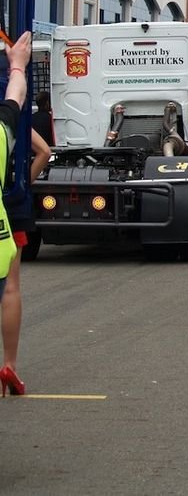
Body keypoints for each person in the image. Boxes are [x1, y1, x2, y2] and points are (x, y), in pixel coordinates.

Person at [2, 128, 50, 399]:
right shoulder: (14, 118)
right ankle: (9, 365)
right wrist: (23, 185)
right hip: (10, 211)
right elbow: (44, 151)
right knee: (11, 287)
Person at [0, 31, 34, 397]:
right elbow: (16, 96)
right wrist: (16, 65)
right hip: (4, 227)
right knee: (11, 288)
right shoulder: (0, 135)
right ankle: (8, 363)